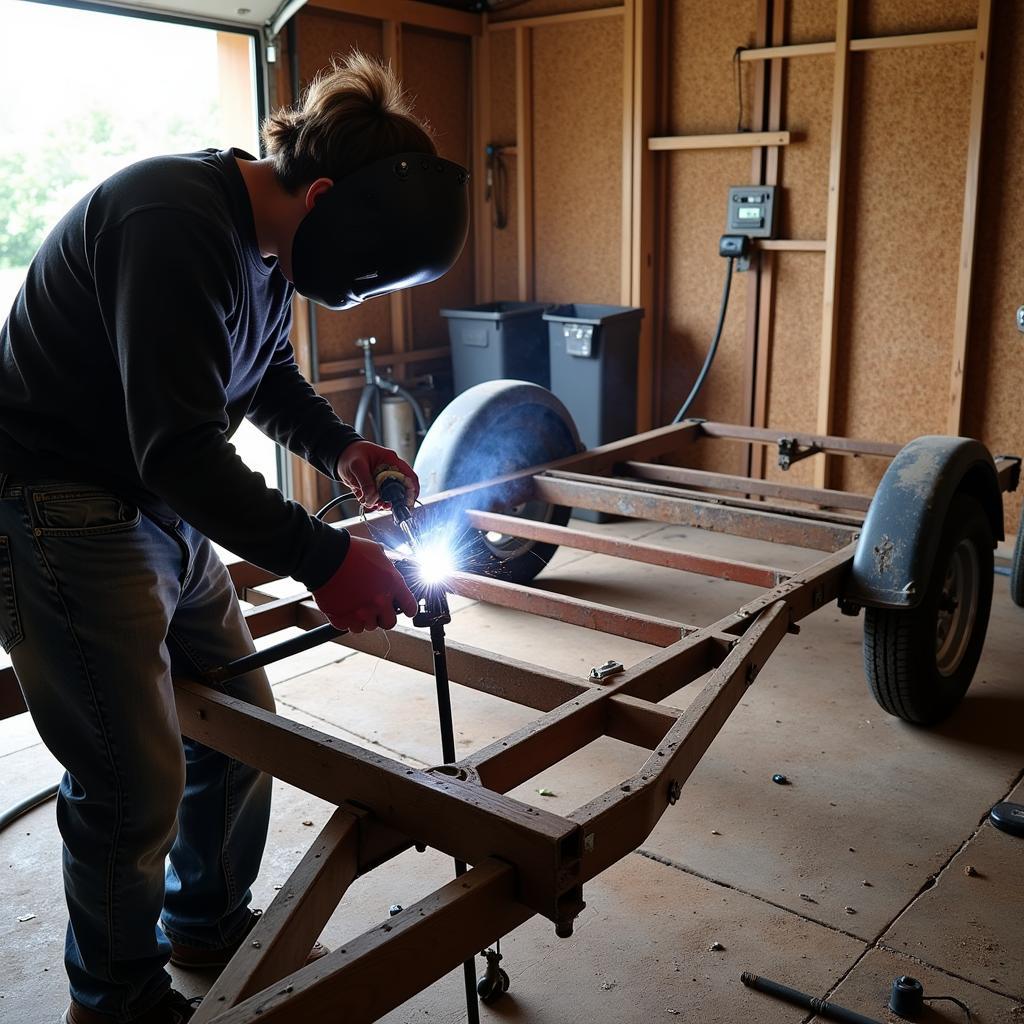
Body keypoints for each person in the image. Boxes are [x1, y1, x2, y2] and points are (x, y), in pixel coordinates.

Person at [0, 52, 467, 1024]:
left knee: (240, 723)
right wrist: (329, 559)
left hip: (152, 500)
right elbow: (177, 447)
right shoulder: (170, 221)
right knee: (132, 776)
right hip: (62, 503)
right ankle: (116, 1001)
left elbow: (259, 374)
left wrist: (343, 450)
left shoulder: (259, 247)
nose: (356, 299)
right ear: (324, 195)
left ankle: (204, 921)